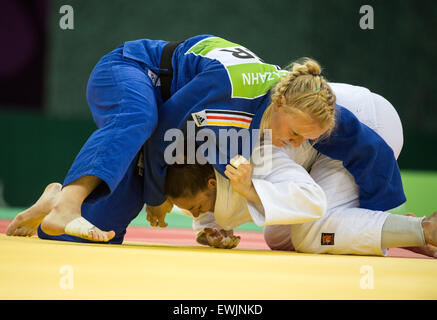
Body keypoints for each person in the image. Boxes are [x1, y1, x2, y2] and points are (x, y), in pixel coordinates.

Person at [6, 36, 404, 244]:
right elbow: (166, 130)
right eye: (295, 133)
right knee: (140, 117)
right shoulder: (235, 86)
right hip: (135, 70)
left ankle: (52, 202)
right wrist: (156, 194)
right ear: (280, 100)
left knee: (104, 231)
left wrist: (376, 211)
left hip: (154, 123)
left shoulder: (282, 116)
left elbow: (359, 142)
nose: (294, 142)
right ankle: (70, 201)